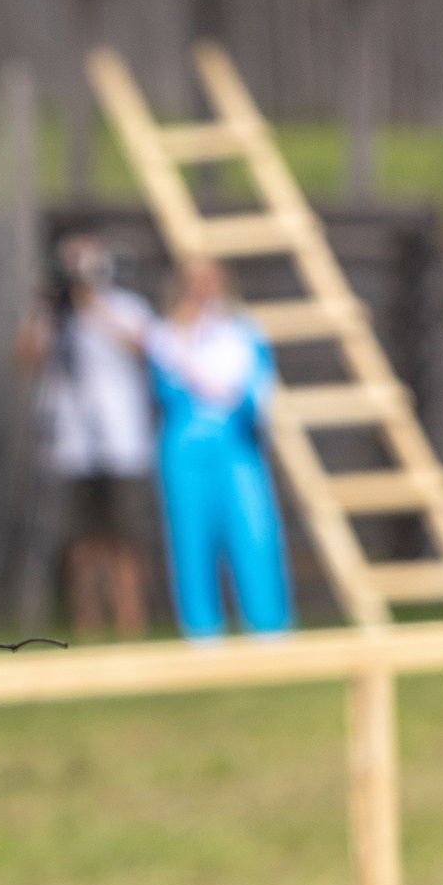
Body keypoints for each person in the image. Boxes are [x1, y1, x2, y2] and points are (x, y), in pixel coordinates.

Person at [13, 234, 156, 636]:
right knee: (80, 539)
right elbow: (24, 359)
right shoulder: (55, 316)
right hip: (71, 444)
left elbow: (147, 348)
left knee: (125, 534)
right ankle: (87, 621)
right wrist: (43, 308)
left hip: (122, 441)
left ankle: (130, 620)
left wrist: (93, 304)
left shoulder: (125, 306)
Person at [147, 258, 292, 639]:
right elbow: (165, 389)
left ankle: (267, 623)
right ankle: (201, 628)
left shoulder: (243, 331)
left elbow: (258, 388)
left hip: (235, 441)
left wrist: (237, 401)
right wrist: (186, 340)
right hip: (184, 445)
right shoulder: (167, 334)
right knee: (190, 537)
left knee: (253, 531)